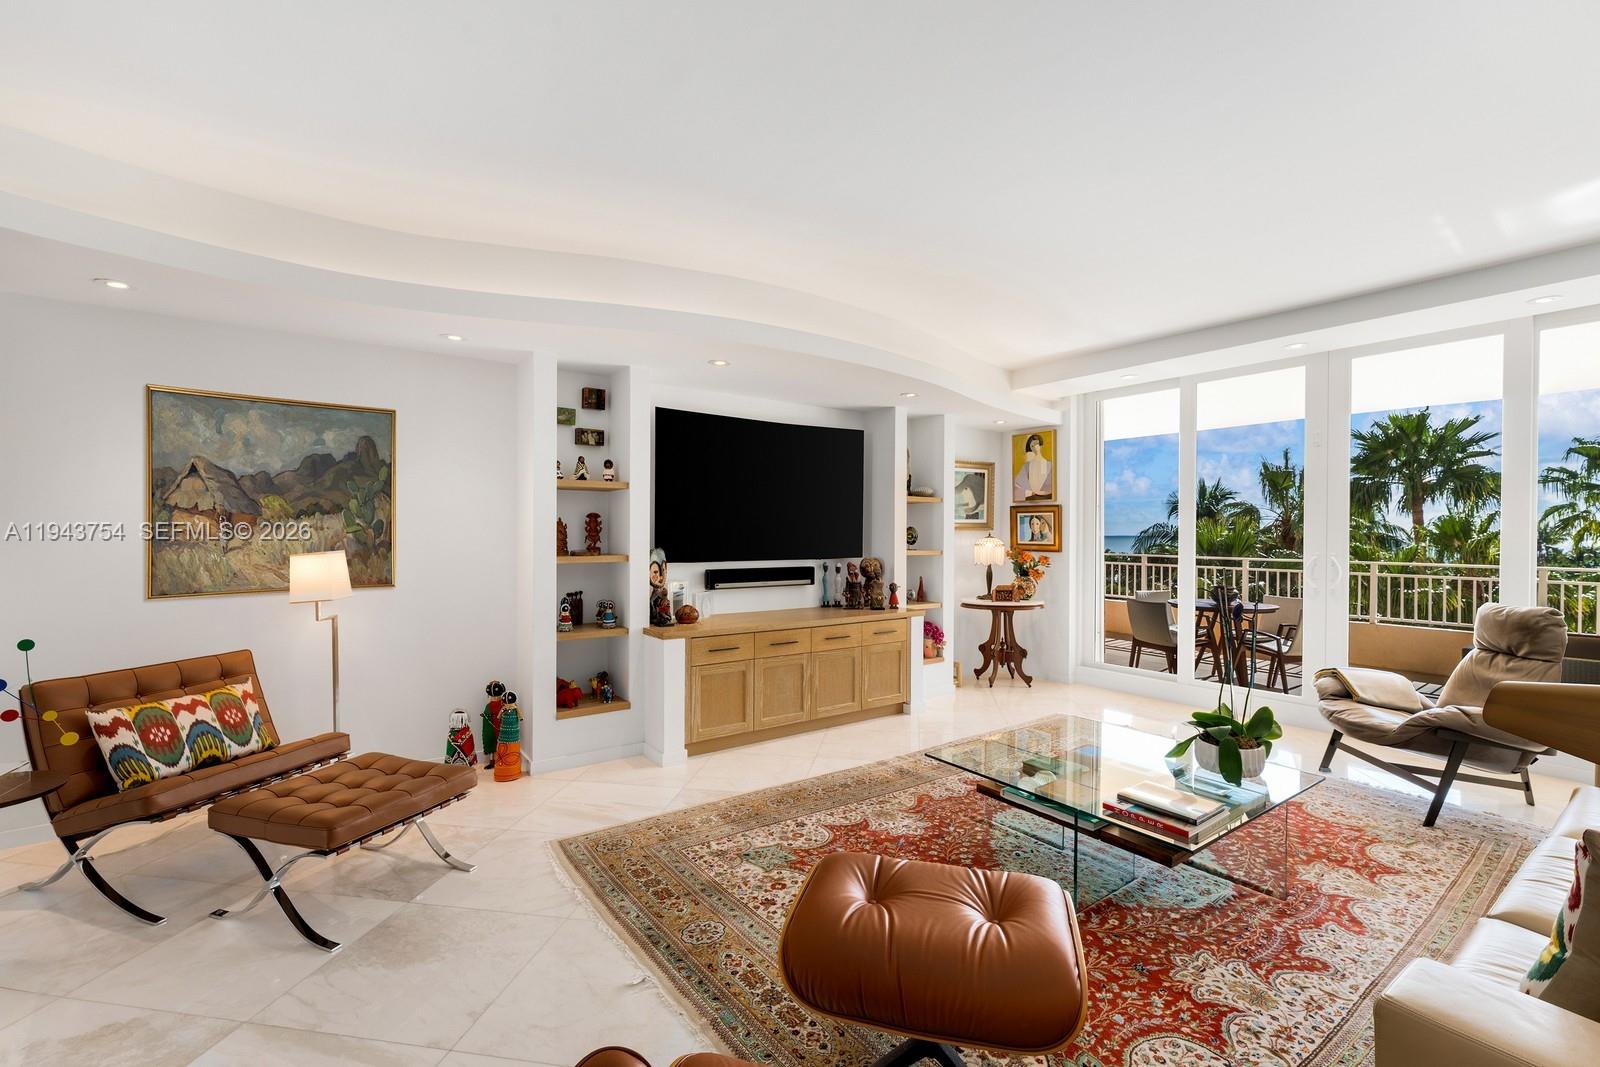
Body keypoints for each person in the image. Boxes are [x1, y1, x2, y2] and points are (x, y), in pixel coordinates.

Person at [1013, 433, 1053, 500]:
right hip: (1030, 498)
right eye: (1032, 445)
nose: (1034, 447)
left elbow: (1052, 486)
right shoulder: (1027, 466)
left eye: (1036, 444)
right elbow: (1017, 485)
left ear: (1040, 445)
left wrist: (1044, 492)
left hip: (1046, 498)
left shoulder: (1049, 464)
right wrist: (1030, 493)